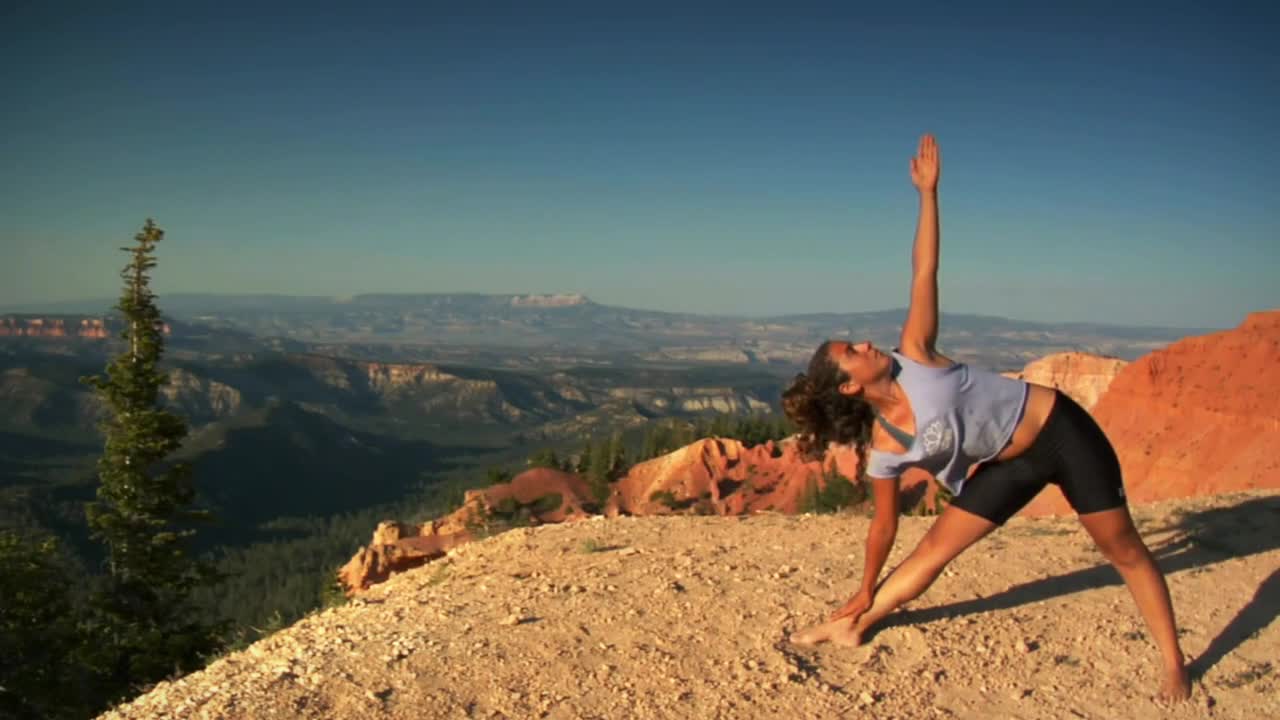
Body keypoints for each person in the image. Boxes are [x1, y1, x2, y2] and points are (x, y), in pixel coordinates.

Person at [779, 134, 1191, 701]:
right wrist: (864, 589)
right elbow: (884, 528)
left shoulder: (915, 353)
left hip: (1061, 432)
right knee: (932, 553)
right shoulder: (886, 449)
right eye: (853, 350)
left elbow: (925, 272)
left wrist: (929, 195)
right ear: (849, 385)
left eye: (857, 341)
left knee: (1121, 548)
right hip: (1009, 464)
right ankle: (853, 624)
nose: (867, 343)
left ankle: (1173, 661)